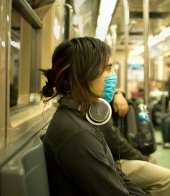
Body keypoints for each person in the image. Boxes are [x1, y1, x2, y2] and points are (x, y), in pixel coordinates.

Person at [40, 37, 147, 196]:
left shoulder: (81, 117)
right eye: (108, 68)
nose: (114, 75)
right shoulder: (77, 134)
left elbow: (118, 177)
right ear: (85, 74)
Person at [107, 92, 170, 196]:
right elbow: (116, 142)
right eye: (107, 74)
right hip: (109, 162)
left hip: (111, 157)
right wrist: (143, 158)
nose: (111, 76)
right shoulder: (97, 108)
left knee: (152, 161)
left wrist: (118, 93)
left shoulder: (101, 100)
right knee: (167, 179)